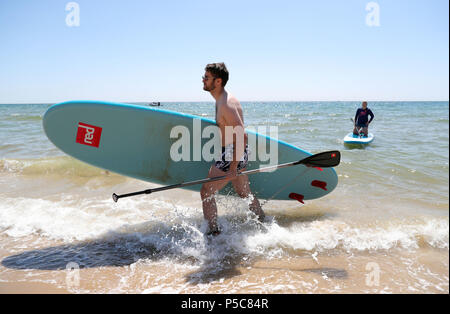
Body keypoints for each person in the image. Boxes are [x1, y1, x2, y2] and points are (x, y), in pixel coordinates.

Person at [200, 63, 265, 236]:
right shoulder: (225, 99)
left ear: (218, 81)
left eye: (207, 77)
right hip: (239, 151)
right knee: (244, 192)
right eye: (204, 76)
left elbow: (241, 135)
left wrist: (233, 168)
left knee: (206, 191)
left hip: (232, 152)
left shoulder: (226, 104)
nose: (203, 80)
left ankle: (213, 235)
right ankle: (264, 223)